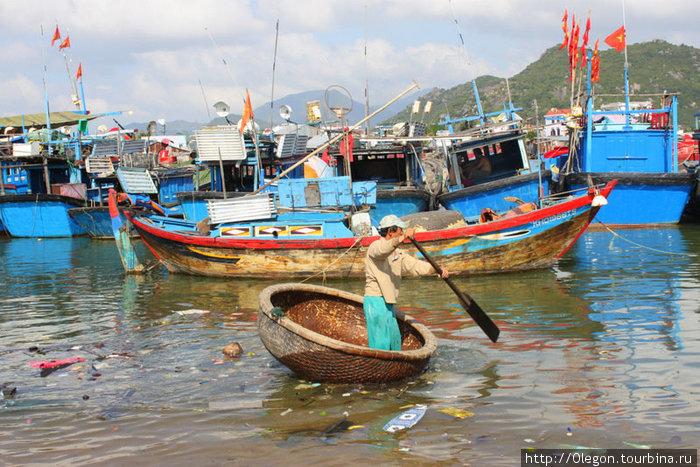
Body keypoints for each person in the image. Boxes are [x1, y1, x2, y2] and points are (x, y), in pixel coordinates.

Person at [363, 214, 449, 351]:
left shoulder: (397, 254)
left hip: (389, 303)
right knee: (381, 346)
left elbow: (414, 266)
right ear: (390, 231)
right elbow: (383, 250)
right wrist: (404, 238)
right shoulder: (376, 246)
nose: (402, 233)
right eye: (400, 231)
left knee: (394, 342)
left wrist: (436, 269)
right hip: (375, 301)